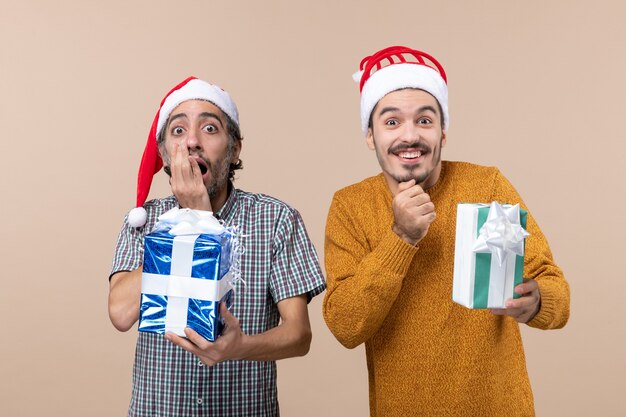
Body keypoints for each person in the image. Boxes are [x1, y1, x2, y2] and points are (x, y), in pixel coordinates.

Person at [323, 46, 570, 417]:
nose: (410, 136)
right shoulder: (350, 206)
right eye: (391, 122)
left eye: (425, 120)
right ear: (370, 136)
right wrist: (401, 238)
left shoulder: (486, 185)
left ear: (443, 131)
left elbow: (558, 295)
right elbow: (346, 325)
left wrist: (536, 302)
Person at [108, 76, 325, 417]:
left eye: (209, 129)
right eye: (178, 131)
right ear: (165, 153)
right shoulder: (144, 221)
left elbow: (299, 335)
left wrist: (242, 348)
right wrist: (189, 219)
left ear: (234, 148)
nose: (192, 141)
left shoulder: (277, 220)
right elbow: (121, 313)